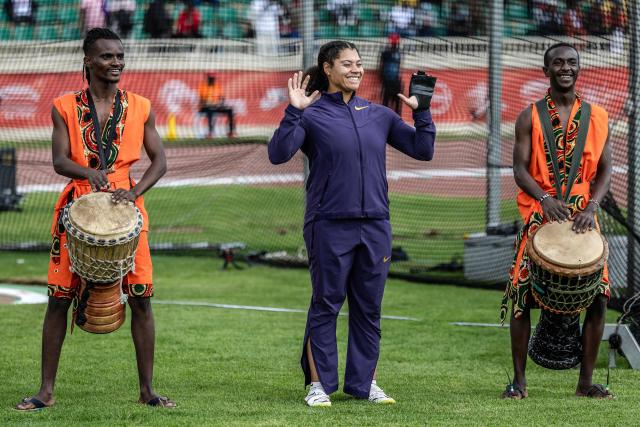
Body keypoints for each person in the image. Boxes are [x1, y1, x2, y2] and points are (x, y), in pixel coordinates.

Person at [268, 41, 436, 407]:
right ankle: (318, 385)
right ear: (327, 69)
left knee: (368, 308)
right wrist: (293, 112)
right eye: (348, 64)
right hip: (328, 224)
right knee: (326, 304)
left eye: (359, 64)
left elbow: (423, 150)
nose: (357, 69)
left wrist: (422, 113)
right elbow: (278, 154)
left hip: (376, 225)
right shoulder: (310, 114)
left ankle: (364, 384)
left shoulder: (378, 114)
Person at [15, 28, 174, 411]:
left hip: (127, 209)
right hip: (76, 206)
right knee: (58, 300)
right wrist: (88, 174)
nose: (116, 62)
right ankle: (45, 391)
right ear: (88, 60)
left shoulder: (140, 105)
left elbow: (160, 161)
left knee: (142, 299)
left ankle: (147, 390)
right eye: (107, 56)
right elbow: (58, 160)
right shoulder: (63, 105)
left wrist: (134, 193)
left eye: (120, 56)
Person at [500, 43, 613, 399]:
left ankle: (585, 383)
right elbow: (519, 169)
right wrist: (545, 199)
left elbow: (606, 169)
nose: (566, 68)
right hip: (540, 213)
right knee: (521, 295)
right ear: (545, 70)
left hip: (584, 216)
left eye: (572, 63)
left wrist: (592, 207)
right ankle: (519, 382)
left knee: (599, 296)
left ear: (580, 69)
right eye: (558, 63)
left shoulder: (597, 116)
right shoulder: (528, 116)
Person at [198, 73, 235, 138]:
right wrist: (208, 104)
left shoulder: (217, 85)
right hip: (205, 107)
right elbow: (201, 100)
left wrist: (221, 104)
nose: (212, 80)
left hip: (216, 106)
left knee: (230, 110)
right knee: (210, 111)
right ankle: (210, 133)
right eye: (210, 79)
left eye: (213, 79)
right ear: (207, 78)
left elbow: (222, 97)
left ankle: (231, 132)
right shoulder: (202, 86)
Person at [379, 33, 403, 115]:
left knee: (396, 105)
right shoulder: (386, 53)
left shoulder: (398, 53)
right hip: (388, 82)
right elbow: (381, 67)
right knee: (387, 104)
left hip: (395, 81)